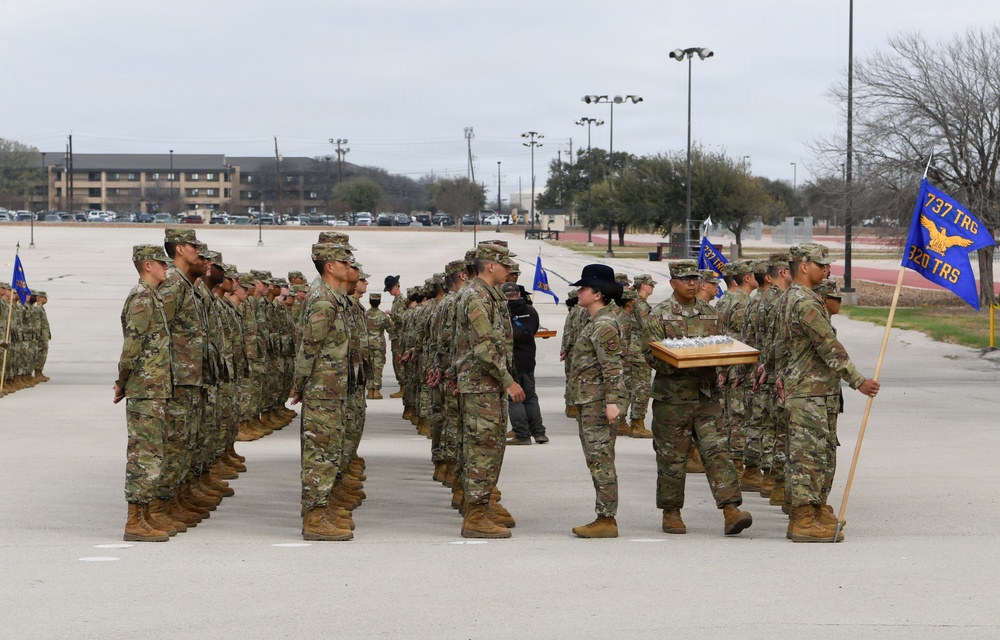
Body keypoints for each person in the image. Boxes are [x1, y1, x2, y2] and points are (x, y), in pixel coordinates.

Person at [774, 244, 879, 542]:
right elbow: (827, 344)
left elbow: (777, 349)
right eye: (822, 265)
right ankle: (803, 519)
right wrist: (858, 380)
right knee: (808, 457)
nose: (828, 270)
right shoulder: (804, 301)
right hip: (808, 392)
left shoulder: (791, 298)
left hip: (813, 390)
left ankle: (815, 510)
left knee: (820, 454)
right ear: (804, 266)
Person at [642, 259, 753, 536]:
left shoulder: (710, 314)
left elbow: (720, 346)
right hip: (672, 398)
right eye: (685, 279)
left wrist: (724, 361)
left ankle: (731, 510)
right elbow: (649, 354)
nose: (692, 283)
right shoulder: (659, 315)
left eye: (695, 278)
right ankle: (671, 513)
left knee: (718, 452)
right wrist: (679, 362)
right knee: (672, 458)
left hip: (706, 396)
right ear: (673, 283)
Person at [453, 243, 524, 539]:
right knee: (481, 449)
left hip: (488, 385)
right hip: (481, 385)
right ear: (491, 266)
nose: (510, 269)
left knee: (491, 447)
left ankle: (481, 506)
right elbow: (483, 347)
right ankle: (475, 515)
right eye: (505, 264)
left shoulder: (490, 295)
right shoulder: (476, 296)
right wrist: (508, 380)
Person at [291, 242, 356, 541]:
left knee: (328, 450)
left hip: (331, 388)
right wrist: (301, 384)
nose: (349, 265)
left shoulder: (331, 297)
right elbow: (310, 346)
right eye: (344, 261)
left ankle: (321, 508)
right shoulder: (323, 300)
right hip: (322, 389)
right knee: (320, 452)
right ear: (330, 266)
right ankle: (315, 517)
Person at [114, 244, 174, 542]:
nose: (167, 267)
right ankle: (134, 520)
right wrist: (122, 381)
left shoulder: (153, 298)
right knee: (143, 454)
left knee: (154, 452)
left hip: (155, 388)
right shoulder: (142, 298)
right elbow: (132, 346)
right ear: (148, 265)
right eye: (162, 263)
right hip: (145, 389)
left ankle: (146, 512)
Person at [568, 264, 626, 538]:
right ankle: (604, 516)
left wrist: (612, 401)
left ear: (599, 294)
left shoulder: (604, 325)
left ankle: (606, 519)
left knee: (601, 459)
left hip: (598, 403)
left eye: (584, 288)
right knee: (596, 459)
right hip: (588, 401)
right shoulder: (595, 321)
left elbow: (612, 367)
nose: (579, 292)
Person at [503, 282, 547, 445]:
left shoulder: (502, 312)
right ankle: (539, 432)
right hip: (528, 360)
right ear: (519, 294)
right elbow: (533, 330)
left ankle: (521, 433)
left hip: (510, 362)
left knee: (514, 397)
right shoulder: (530, 311)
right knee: (530, 396)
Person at [365, 293, 390, 399]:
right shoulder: (383, 316)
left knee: (369, 367)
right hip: (379, 345)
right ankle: (377, 390)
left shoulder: (365, 314)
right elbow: (390, 329)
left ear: (370, 302)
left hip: (367, 344)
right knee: (378, 367)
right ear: (379, 302)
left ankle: (370, 390)